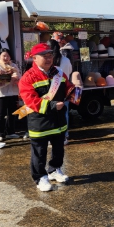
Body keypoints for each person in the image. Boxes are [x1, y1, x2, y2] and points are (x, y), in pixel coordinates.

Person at [18, 43, 78, 192]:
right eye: (44, 56)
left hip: (58, 120)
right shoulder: (28, 77)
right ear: (34, 58)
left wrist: (74, 92)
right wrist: (52, 106)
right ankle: (40, 177)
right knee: (39, 152)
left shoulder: (58, 72)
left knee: (59, 149)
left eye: (50, 55)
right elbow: (30, 100)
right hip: (40, 121)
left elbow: (67, 86)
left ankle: (54, 169)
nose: (48, 58)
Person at [0, 49, 21, 141]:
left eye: (7, 56)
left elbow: (19, 76)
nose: (6, 58)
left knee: (12, 113)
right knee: (1, 114)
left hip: (13, 92)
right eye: (4, 56)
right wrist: (9, 77)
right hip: (1, 93)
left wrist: (17, 78)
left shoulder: (14, 66)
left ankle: (11, 132)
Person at [50, 39, 73, 144]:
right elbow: (69, 72)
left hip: (51, 91)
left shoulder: (49, 62)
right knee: (64, 113)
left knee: (51, 114)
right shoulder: (66, 60)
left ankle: (53, 135)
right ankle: (65, 135)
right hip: (64, 89)